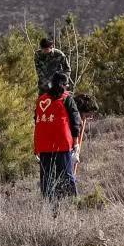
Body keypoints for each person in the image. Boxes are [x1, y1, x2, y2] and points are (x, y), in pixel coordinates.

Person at [33, 73, 84, 202]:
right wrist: (76, 144)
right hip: (62, 143)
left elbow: (36, 121)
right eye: (66, 85)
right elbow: (75, 122)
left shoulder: (40, 100)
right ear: (63, 85)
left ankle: (49, 204)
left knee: (47, 177)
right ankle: (72, 202)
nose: (67, 87)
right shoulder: (67, 99)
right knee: (66, 175)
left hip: (43, 144)